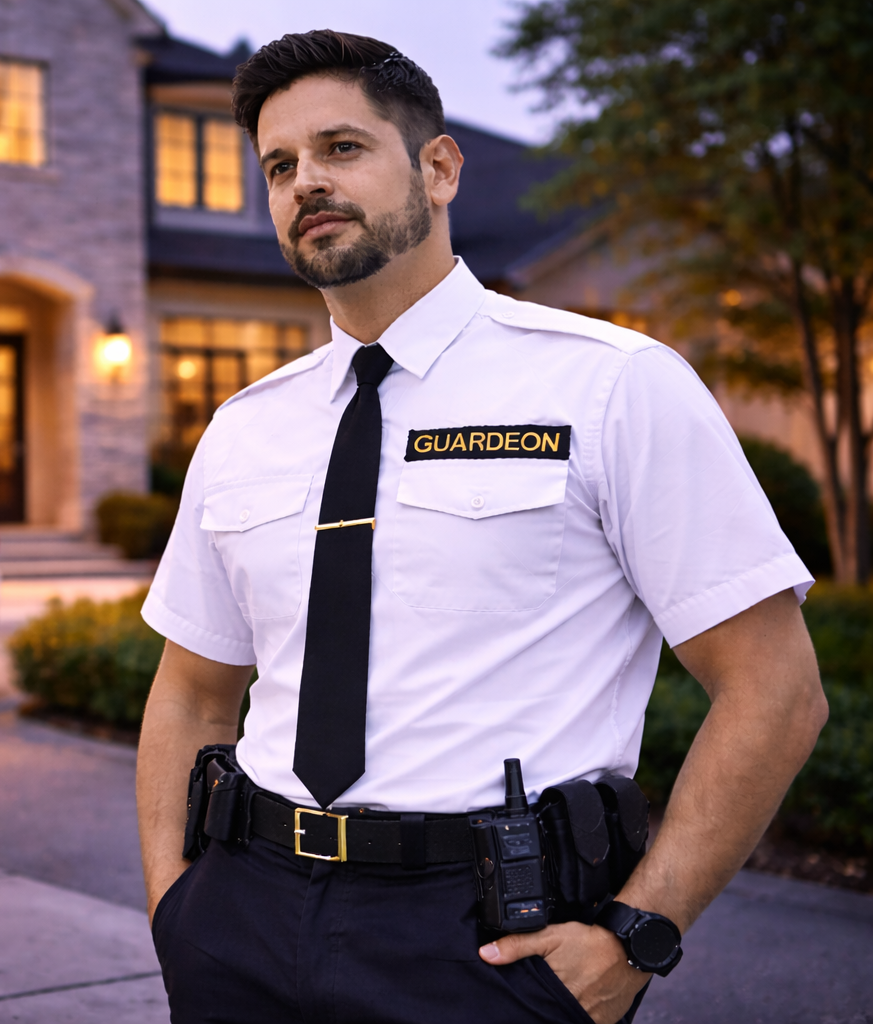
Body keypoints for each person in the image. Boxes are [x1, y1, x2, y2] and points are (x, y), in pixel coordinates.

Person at [136, 29, 827, 1024]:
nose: (305, 184)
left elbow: (777, 690)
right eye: (279, 165)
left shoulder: (610, 385)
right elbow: (194, 690)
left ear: (440, 167)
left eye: (341, 148)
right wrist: (177, 907)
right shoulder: (245, 428)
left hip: (485, 943)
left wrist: (639, 934)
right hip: (242, 921)